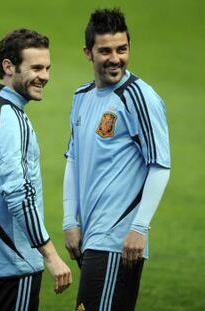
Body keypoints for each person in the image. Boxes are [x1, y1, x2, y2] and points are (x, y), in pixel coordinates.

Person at [63, 8, 171, 311]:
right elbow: (73, 159)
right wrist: (71, 221)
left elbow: (159, 165)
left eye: (122, 49)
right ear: (88, 52)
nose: (115, 58)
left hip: (118, 240)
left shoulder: (139, 97)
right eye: (106, 50)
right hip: (90, 236)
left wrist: (140, 228)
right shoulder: (81, 96)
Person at [0, 28, 72, 311]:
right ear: (8, 67)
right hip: (13, 264)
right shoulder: (12, 119)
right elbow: (17, 192)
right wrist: (49, 254)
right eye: (36, 67)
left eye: (47, 68)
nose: (45, 76)